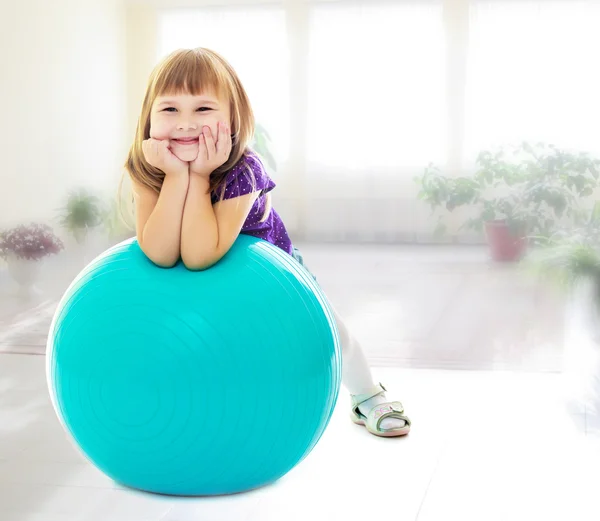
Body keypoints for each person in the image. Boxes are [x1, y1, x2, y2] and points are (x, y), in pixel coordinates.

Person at [123, 47, 411, 437]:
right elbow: (158, 251)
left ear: (232, 118)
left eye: (204, 110)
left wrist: (199, 176)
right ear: (149, 117)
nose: (186, 124)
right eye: (169, 110)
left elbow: (198, 255)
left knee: (330, 334)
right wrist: (175, 177)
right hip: (202, 294)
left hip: (272, 278)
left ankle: (367, 395)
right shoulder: (148, 164)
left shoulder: (243, 168)